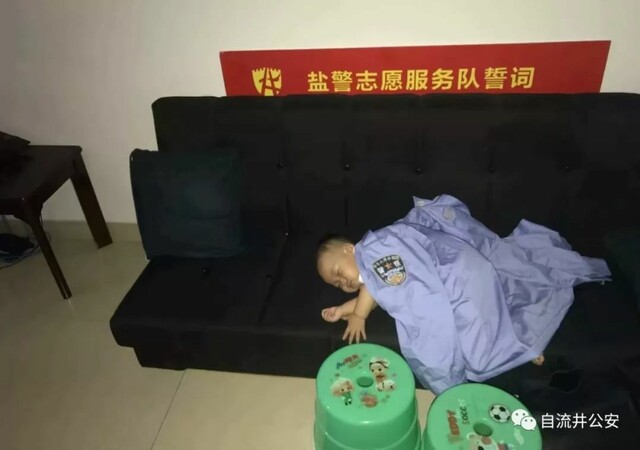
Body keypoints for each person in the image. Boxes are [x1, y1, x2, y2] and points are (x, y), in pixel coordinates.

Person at [316, 195, 610, 394]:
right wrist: (343, 310)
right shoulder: (373, 274)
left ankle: (520, 346)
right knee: (479, 325)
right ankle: (520, 344)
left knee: (473, 343)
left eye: (337, 272)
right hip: (463, 272)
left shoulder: (374, 249)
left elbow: (375, 293)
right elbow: (376, 293)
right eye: (337, 284)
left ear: (349, 249)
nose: (342, 281)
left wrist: (357, 315)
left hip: (457, 272)